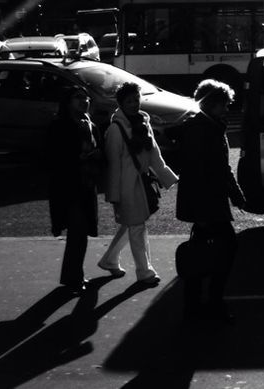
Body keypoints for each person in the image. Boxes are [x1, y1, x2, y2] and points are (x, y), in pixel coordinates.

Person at [172, 78, 246, 322]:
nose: (227, 108)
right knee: (225, 248)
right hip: (207, 203)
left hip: (206, 202)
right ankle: (212, 304)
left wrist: (234, 193)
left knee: (202, 253)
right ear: (212, 104)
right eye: (224, 104)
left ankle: (196, 307)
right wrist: (234, 194)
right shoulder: (203, 130)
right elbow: (204, 171)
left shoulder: (207, 126)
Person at [97, 81, 178, 286]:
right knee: (137, 227)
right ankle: (145, 272)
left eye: (136, 99)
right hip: (127, 185)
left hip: (139, 183)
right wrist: (114, 194)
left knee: (132, 224)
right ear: (121, 103)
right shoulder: (116, 129)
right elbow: (114, 164)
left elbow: (154, 153)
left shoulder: (143, 121)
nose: (134, 104)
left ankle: (109, 260)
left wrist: (166, 175)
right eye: (129, 101)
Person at [45, 88, 100, 292]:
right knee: (78, 231)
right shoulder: (59, 126)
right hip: (68, 186)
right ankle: (74, 277)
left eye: (85, 98)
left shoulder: (90, 125)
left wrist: (96, 157)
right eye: (78, 98)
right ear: (68, 102)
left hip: (86, 184)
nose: (84, 101)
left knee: (81, 232)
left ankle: (73, 276)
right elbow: (52, 156)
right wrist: (77, 158)